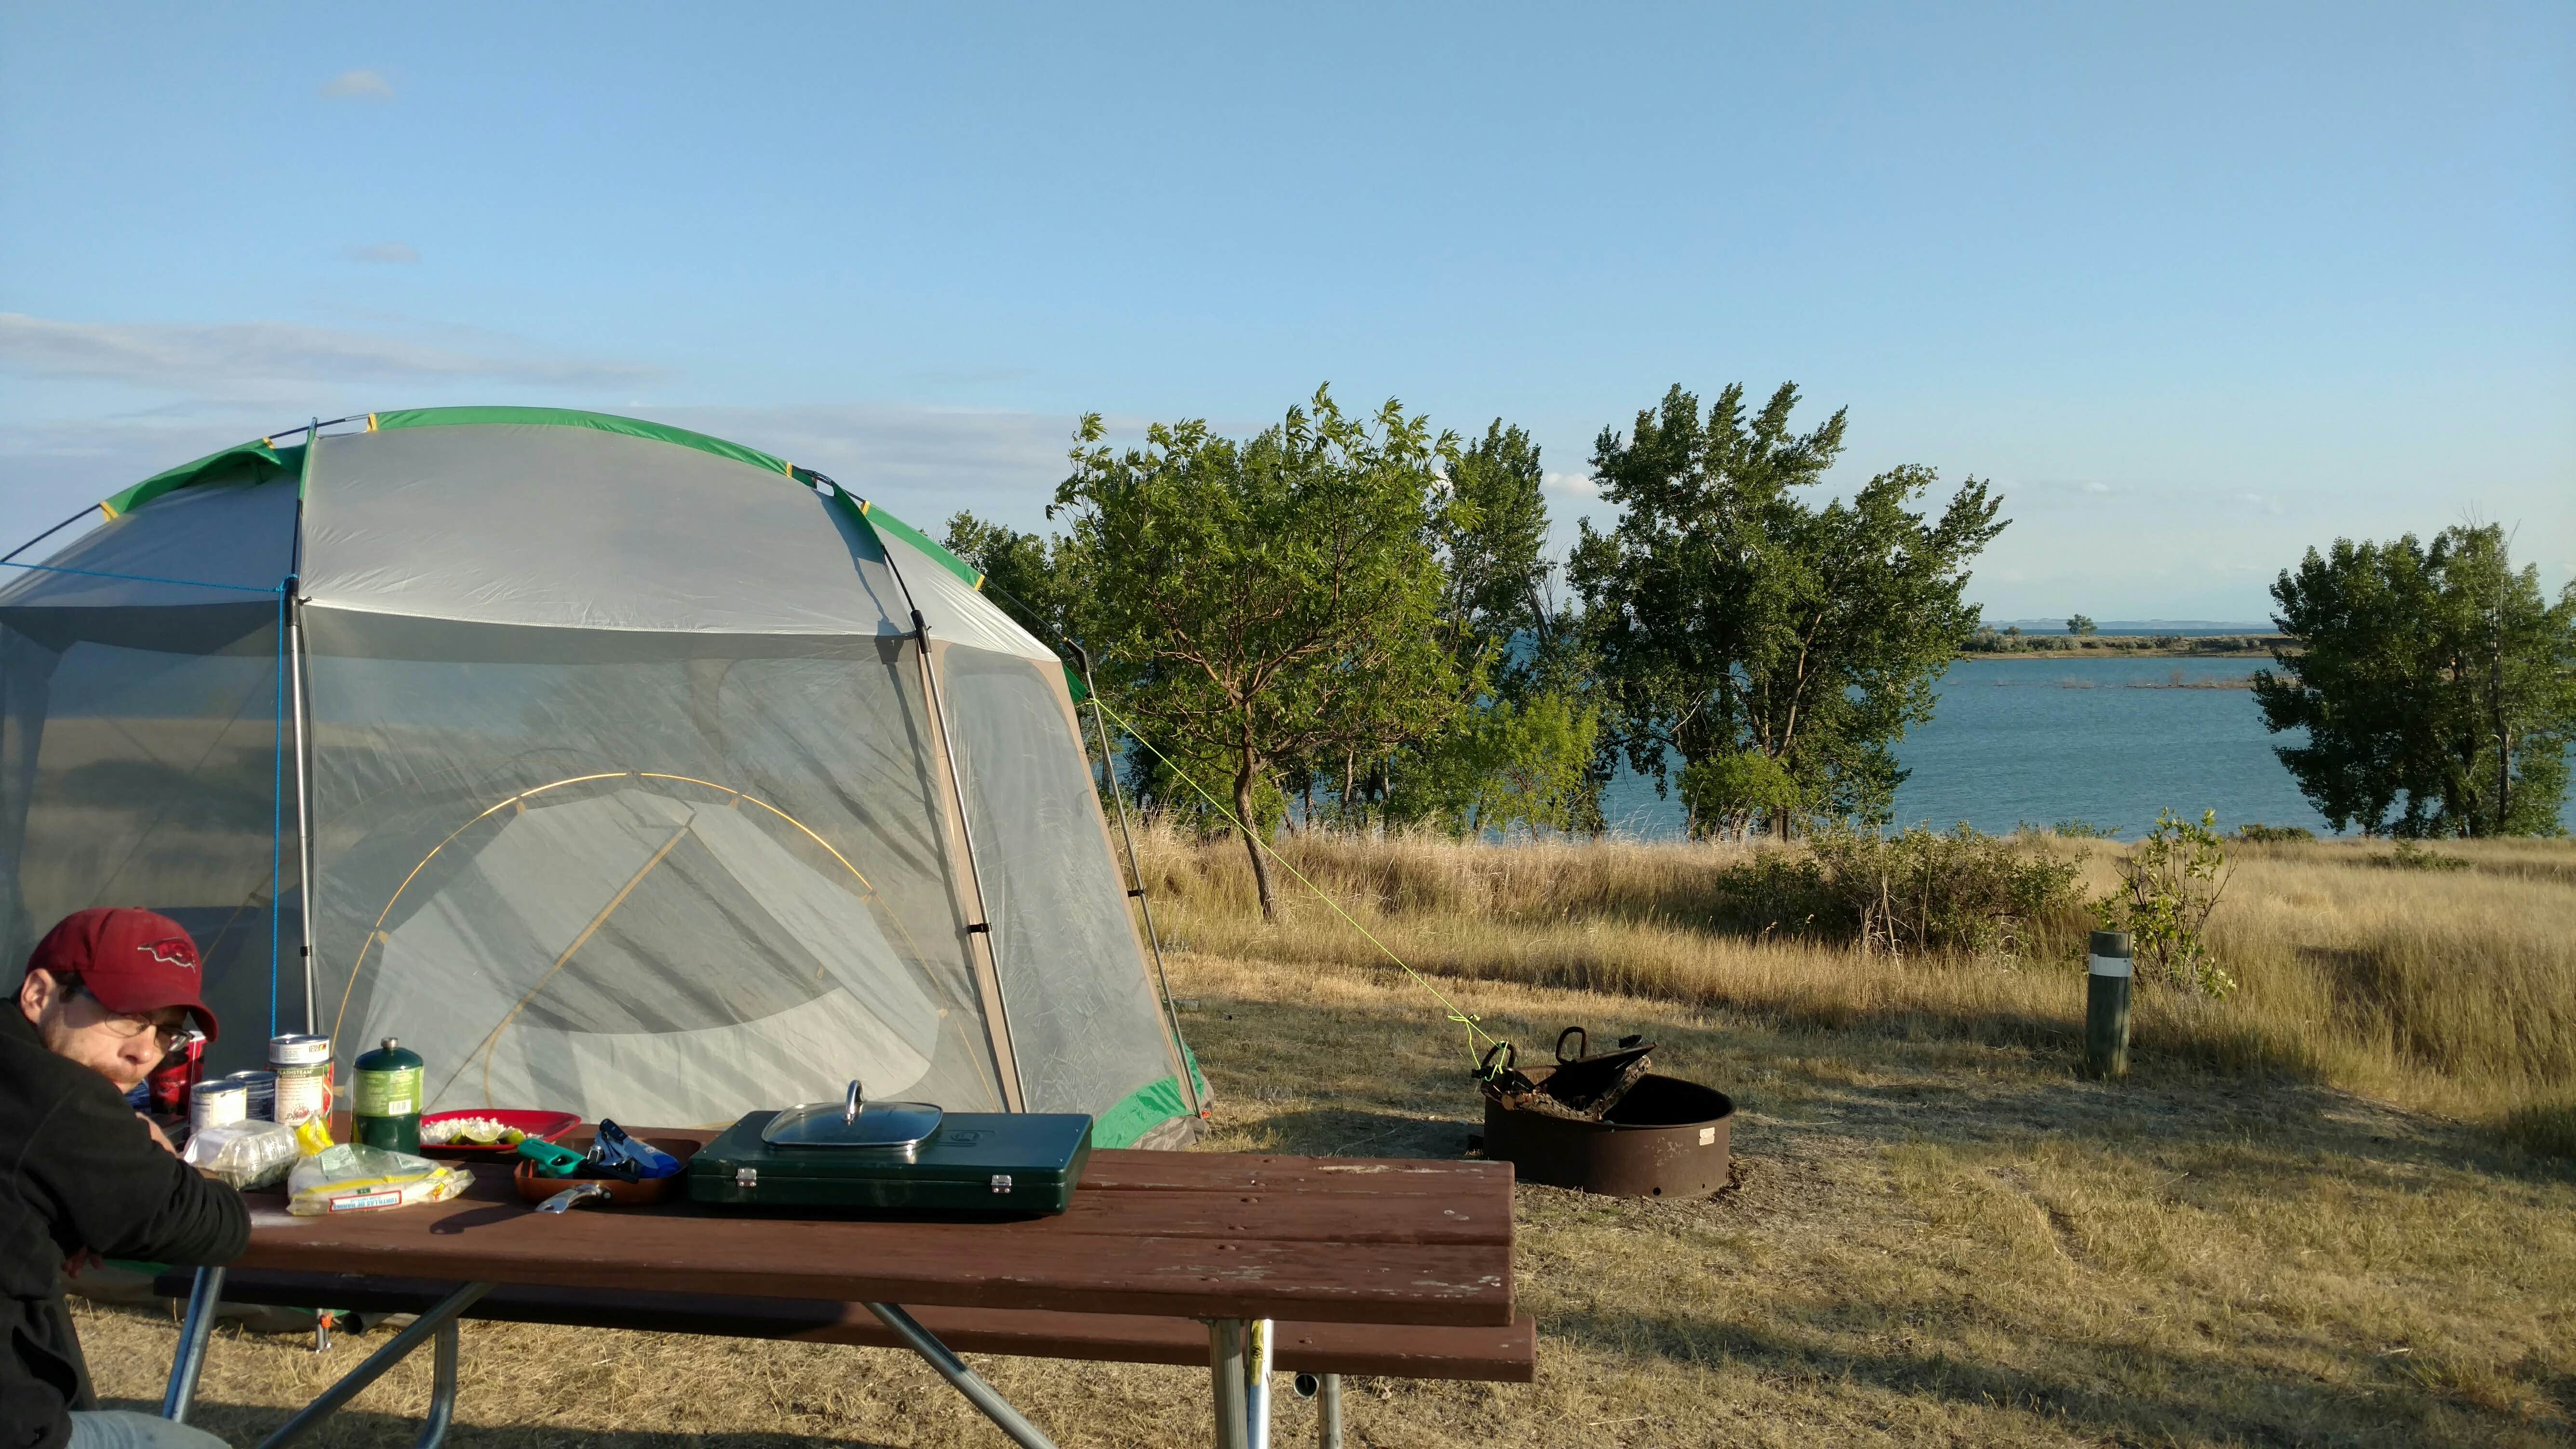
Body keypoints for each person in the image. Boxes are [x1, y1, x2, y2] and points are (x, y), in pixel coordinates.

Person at [2, 909, 249, 1449]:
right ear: (40, 995)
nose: (144, 1053)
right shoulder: (58, 1093)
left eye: (165, 1032)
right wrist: (168, 1162)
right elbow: (214, 1227)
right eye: (126, 1017)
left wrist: (63, 1218)